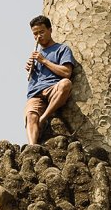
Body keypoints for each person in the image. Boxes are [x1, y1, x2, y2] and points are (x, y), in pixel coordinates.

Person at [24, 15, 75, 144]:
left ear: (50, 30)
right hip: (35, 92)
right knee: (30, 115)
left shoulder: (62, 49)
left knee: (66, 84)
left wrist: (44, 61)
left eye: (41, 32)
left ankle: (44, 118)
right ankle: (33, 148)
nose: (38, 37)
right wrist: (31, 67)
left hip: (53, 88)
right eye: (35, 34)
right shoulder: (36, 54)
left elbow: (67, 72)